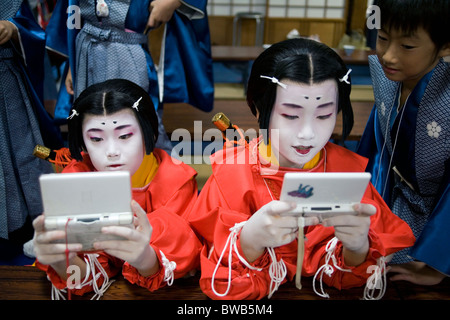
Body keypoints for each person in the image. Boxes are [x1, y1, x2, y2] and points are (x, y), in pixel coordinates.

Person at [187, 38, 415, 300]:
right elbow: (219, 281)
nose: (307, 134)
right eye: (291, 116)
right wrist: (248, 242)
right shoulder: (230, 176)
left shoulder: (345, 172)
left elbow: (352, 274)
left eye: (323, 115)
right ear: (259, 108)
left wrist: (357, 246)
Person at [33, 79, 201, 299]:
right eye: (96, 139)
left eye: (124, 136)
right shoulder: (78, 177)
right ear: (83, 143)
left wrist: (146, 259)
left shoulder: (176, 182)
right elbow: (83, 277)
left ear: (149, 134)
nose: (112, 151)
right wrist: (60, 259)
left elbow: (182, 265)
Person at [357, 0, 450, 285]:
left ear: (445, 45)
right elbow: (373, 152)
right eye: (383, 38)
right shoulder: (389, 83)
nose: (389, 56)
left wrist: (437, 263)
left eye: (407, 46)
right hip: (387, 205)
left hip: (436, 224)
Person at [45, 0, 214, 152]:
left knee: (139, 118)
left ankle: (153, 176)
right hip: (86, 49)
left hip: (129, 46)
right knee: (90, 118)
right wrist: (72, 65)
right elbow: (72, 10)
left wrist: (173, 1)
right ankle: (96, 171)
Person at [0, 1, 62, 260]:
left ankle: (31, 224)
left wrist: (13, 30)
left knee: (29, 152)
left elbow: (33, 29)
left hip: (8, 79)